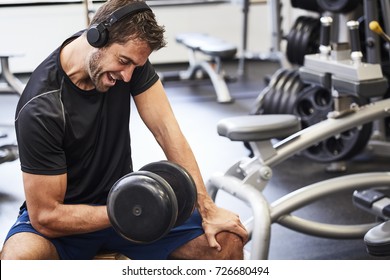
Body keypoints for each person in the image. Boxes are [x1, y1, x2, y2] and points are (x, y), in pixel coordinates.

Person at [0, 0, 248, 260]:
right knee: (17, 262)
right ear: (96, 38)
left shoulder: (128, 62)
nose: (128, 76)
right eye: (124, 61)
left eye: (135, 66)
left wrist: (207, 208)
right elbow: (46, 217)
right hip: (69, 220)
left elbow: (166, 130)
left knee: (226, 242)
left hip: (123, 198)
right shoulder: (41, 107)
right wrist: (131, 208)